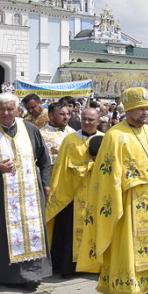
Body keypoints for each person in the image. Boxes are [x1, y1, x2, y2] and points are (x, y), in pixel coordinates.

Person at [84, 87, 148, 294]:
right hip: (128, 201)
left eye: (146, 108)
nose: (145, 113)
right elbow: (107, 175)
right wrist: (116, 200)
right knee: (127, 245)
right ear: (128, 110)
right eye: (139, 109)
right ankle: (123, 290)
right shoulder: (115, 135)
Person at [0, 92, 52, 289]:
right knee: (2, 234)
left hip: (29, 195)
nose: (6, 113)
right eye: (1, 109)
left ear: (17, 110)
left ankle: (32, 275)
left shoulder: (30, 129)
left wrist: (45, 183)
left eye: (10, 109)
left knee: (31, 232)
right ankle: (3, 276)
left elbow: (44, 160)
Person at [43, 106, 102, 278]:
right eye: (84, 119)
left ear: (98, 121)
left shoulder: (106, 139)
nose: (87, 122)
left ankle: (94, 265)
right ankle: (68, 267)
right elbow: (61, 168)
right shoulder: (70, 140)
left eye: (91, 119)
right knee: (68, 232)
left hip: (96, 194)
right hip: (72, 194)